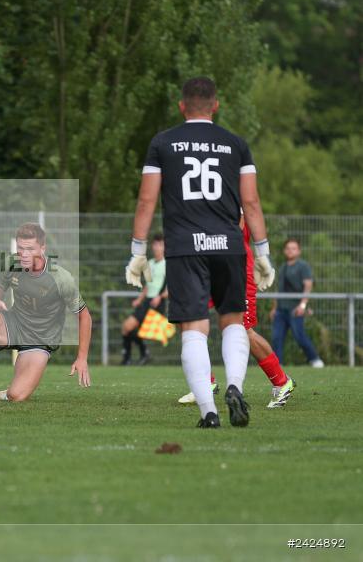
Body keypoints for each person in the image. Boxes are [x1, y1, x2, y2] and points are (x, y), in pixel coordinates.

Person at [127, 76, 275, 428]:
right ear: (216, 105)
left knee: (194, 329)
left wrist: (137, 251)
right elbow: (251, 202)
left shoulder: (163, 143)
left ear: (182, 106)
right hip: (228, 245)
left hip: (184, 247)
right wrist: (264, 253)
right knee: (233, 322)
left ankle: (209, 413)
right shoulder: (236, 144)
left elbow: (147, 199)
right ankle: (235, 387)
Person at [0, 222, 91, 402]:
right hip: (14, 325)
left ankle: (4, 393)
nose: (24, 253)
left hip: (41, 339)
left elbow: (84, 316)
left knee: (17, 396)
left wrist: (82, 357)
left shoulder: (61, 278)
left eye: (30, 249)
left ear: (43, 248)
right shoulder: (13, 263)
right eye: (20, 248)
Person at [178, 216, 296, 408]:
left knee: (242, 329)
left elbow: (231, 232)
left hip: (236, 269)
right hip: (209, 267)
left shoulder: (231, 192)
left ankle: (282, 382)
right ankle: (206, 382)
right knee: (189, 320)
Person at [270, 238, 324, 368]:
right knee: (277, 338)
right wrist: (274, 308)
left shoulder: (303, 266)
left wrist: (303, 305)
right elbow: (279, 290)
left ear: (299, 251)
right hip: (281, 310)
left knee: (299, 336)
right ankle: (278, 365)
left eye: (293, 248)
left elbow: (308, 285)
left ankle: (315, 360)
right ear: (284, 251)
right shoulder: (282, 267)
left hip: (295, 309)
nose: (290, 251)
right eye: (288, 248)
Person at [120, 233, 167, 365]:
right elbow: (148, 286)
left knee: (134, 330)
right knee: (126, 327)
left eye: (160, 244)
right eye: (155, 244)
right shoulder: (150, 263)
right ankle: (131, 357)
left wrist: (160, 296)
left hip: (157, 304)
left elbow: (171, 287)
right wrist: (139, 300)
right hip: (146, 302)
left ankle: (137, 355)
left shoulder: (168, 264)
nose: (157, 247)